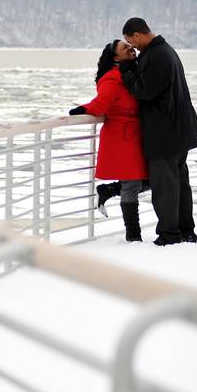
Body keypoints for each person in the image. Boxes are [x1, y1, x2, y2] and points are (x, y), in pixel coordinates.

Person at [115, 17, 197, 246]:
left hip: (165, 132)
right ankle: (186, 231)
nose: (131, 46)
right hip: (179, 130)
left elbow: (145, 91)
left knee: (165, 187)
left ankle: (169, 235)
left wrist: (126, 70)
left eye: (129, 41)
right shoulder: (165, 51)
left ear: (136, 34)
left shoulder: (157, 56)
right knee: (180, 184)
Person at [69, 40, 149, 242]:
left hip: (137, 133)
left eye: (130, 46)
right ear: (115, 58)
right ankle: (133, 236)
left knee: (155, 179)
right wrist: (84, 109)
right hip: (122, 137)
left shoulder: (132, 72)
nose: (131, 48)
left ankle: (110, 189)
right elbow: (103, 102)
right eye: (125, 47)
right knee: (132, 184)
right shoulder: (112, 77)